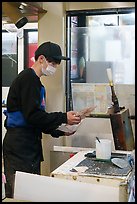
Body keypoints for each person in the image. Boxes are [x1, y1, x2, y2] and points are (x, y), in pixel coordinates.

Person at [2, 41, 81, 198]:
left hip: (29, 145)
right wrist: (63, 116)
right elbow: (33, 116)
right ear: (41, 59)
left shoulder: (37, 84)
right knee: (20, 193)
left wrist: (59, 130)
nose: (54, 67)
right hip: (20, 147)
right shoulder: (28, 80)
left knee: (30, 191)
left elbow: (37, 119)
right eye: (53, 63)